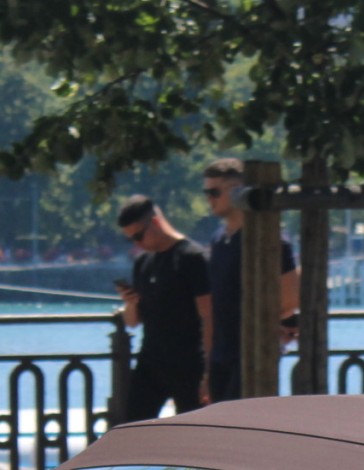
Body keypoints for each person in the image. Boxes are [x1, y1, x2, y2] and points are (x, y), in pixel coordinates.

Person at [200, 157, 298, 403]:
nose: (208, 199)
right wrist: (208, 368)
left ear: (236, 192)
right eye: (206, 192)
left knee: (242, 431)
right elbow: (215, 305)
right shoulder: (217, 240)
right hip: (222, 354)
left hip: (254, 354)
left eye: (214, 192)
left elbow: (290, 299)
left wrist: (268, 330)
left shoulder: (271, 240)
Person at [114, 194, 210, 420]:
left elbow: (209, 317)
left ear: (155, 222)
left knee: (192, 433)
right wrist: (131, 303)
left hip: (188, 365)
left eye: (138, 236)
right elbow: (132, 322)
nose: (136, 244)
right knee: (131, 429)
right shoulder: (143, 263)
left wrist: (208, 373)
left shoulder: (192, 258)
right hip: (151, 363)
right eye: (130, 240)